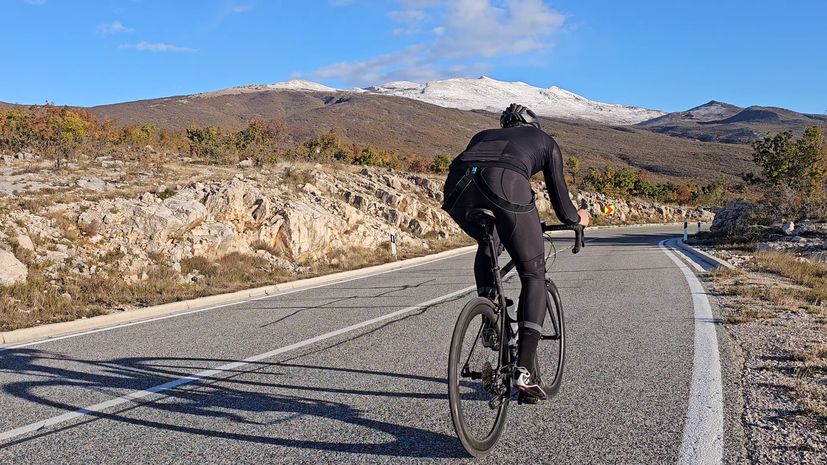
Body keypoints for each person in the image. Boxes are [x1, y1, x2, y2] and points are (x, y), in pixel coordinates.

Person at [442, 103, 589, 400]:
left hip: (457, 189)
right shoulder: (545, 142)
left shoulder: (483, 135)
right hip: (505, 185)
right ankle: (523, 370)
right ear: (534, 126)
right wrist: (579, 219)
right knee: (533, 274)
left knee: (489, 239)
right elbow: (563, 206)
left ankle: (489, 315)